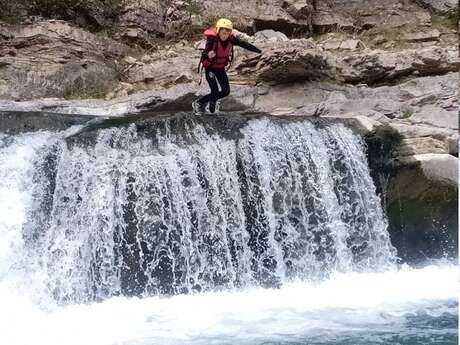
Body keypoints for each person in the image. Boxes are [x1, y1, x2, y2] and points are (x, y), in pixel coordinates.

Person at [192, 18, 262, 114]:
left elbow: (244, 44)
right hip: (210, 68)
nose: (225, 35)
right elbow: (205, 52)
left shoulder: (231, 39)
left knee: (226, 91)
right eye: (223, 33)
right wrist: (207, 54)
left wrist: (260, 51)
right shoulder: (212, 39)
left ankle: (207, 101)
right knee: (215, 91)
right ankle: (199, 103)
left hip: (220, 68)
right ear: (218, 31)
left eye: (227, 33)